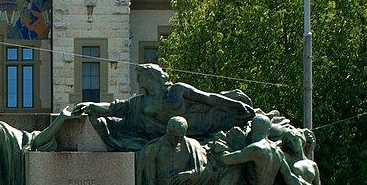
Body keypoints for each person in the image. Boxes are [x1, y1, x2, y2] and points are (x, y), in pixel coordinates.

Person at [75, 63, 254, 150]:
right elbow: (114, 108)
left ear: (151, 76)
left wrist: (234, 104)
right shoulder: (140, 102)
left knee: (239, 124)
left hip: (205, 121)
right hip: (181, 135)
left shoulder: (177, 89)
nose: (137, 80)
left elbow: (208, 99)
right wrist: (91, 105)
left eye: (141, 76)